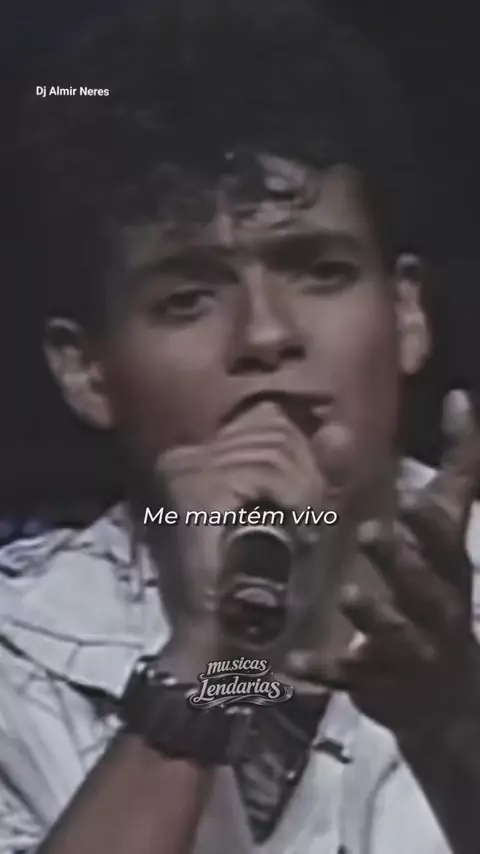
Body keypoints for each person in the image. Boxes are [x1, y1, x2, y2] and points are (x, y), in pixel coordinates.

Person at [2, 1, 480, 852]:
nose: (265, 334)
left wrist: (453, 730)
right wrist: (212, 659)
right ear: (87, 372)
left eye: (320, 271)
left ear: (406, 313)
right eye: (188, 298)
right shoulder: (14, 647)